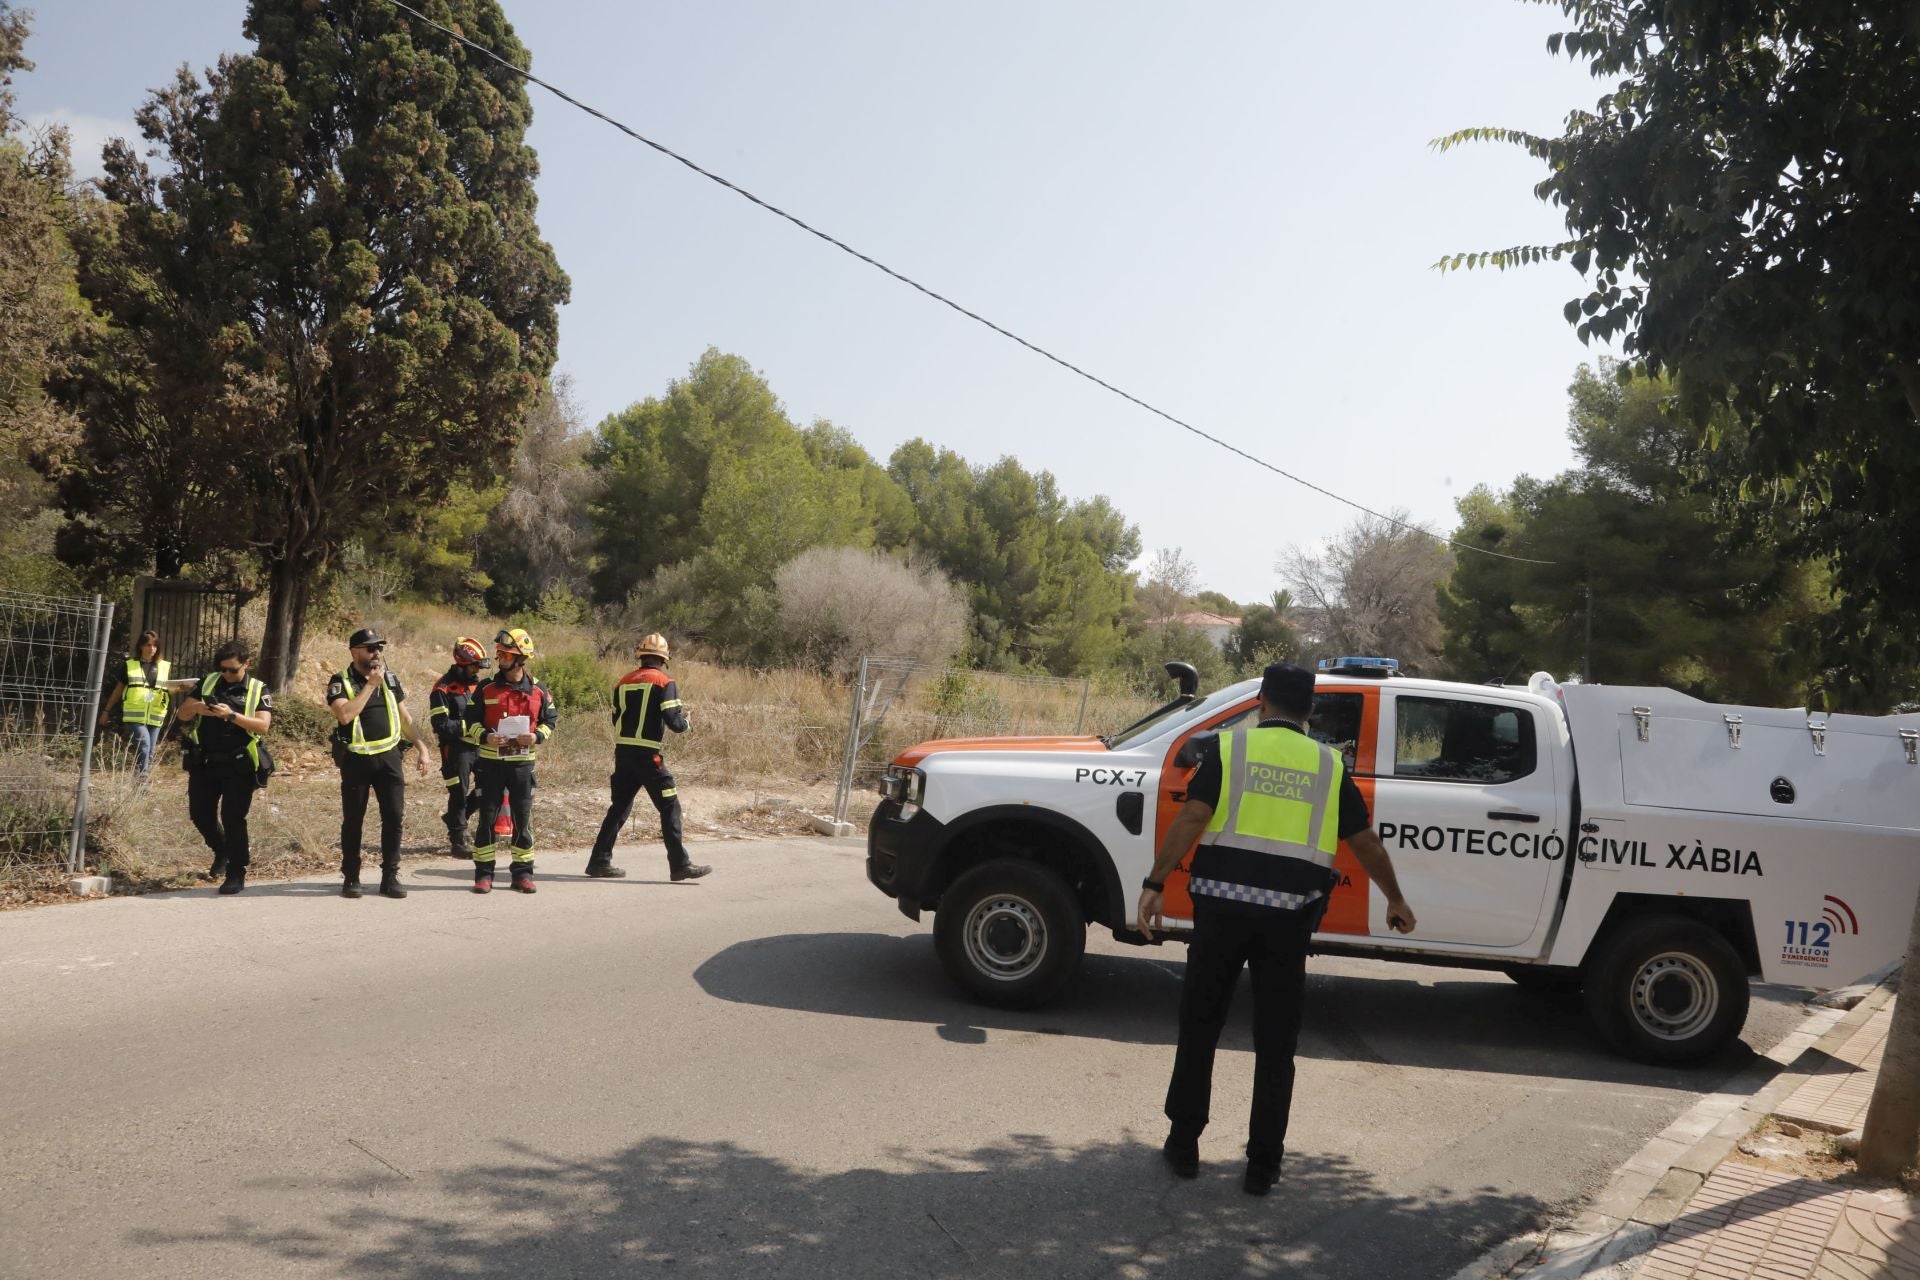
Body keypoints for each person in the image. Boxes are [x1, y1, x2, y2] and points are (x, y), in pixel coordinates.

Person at [1137, 662, 1417, 1196]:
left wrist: (1155, 882)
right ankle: (1263, 1164)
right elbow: (1365, 843)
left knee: (1201, 1026)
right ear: (1310, 711)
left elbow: (1193, 817)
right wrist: (1396, 899)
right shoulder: (1330, 766)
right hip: (1288, 922)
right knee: (1276, 1041)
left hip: (1220, 915)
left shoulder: (1228, 749)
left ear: (1262, 702)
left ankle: (1184, 1142)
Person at [585, 632, 711, 881]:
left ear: (641, 657)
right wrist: (687, 723)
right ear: (664, 658)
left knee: (619, 807)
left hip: (623, 754)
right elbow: (674, 722)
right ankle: (680, 864)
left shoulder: (623, 681)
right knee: (670, 806)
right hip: (648, 756)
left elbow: (615, 718)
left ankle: (599, 861)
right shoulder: (665, 682)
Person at [325, 628, 427, 900]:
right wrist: (370, 685)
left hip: (390, 759)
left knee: (394, 817)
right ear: (355, 651)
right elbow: (345, 715)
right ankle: (351, 877)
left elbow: (404, 718)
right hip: (357, 760)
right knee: (353, 820)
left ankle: (390, 876)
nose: (376, 653)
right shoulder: (340, 681)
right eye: (370, 648)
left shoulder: (390, 679)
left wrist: (421, 747)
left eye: (379, 648)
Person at [461, 627, 556, 894]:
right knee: (487, 818)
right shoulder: (486, 688)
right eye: (499, 653)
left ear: (520, 658)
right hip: (490, 766)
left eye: (505, 654)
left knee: (522, 818)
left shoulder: (538, 690)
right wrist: (484, 737)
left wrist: (537, 737)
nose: (500, 658)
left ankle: (522, 874)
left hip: (522, 767)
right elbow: (470, 720)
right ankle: (483, 874)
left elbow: (551, 720)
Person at [174, 640, 273, 895]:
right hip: (205, 762)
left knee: (233, 818)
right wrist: (198, 708)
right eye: (224, 669)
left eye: (233, 670)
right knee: (200, 814)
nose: (227, 675)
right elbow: (182, 715)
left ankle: (236, 872)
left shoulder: (257, 688)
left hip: (238, 764)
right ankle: (222, 851)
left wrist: (231, 715)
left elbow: (262, 726)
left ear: (246, 664)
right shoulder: (209, 681)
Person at [429, 636, 490, 858]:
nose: (477, 671)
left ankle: (456, 817)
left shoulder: (480, 686)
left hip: (481, 747)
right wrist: (472, 726)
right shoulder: (442, 689)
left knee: (488, 788)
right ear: (462, 663)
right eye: (474, 666)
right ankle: (458, 839)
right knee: (458, 792)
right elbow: (441, 725)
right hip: (456, 749)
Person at [98, 630, 171, 777]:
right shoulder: (129, 665)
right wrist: (106, 711)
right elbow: (118, 690)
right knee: (144, 745)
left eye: (155, 646)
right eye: (148, 645)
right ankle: (143, 782)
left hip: (156, 715)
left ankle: (138, 778)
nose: (152, 649)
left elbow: (166, 689)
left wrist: (179, 688)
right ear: (141, 646)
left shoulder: (164, 666)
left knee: (150, 751)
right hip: (135, 715)